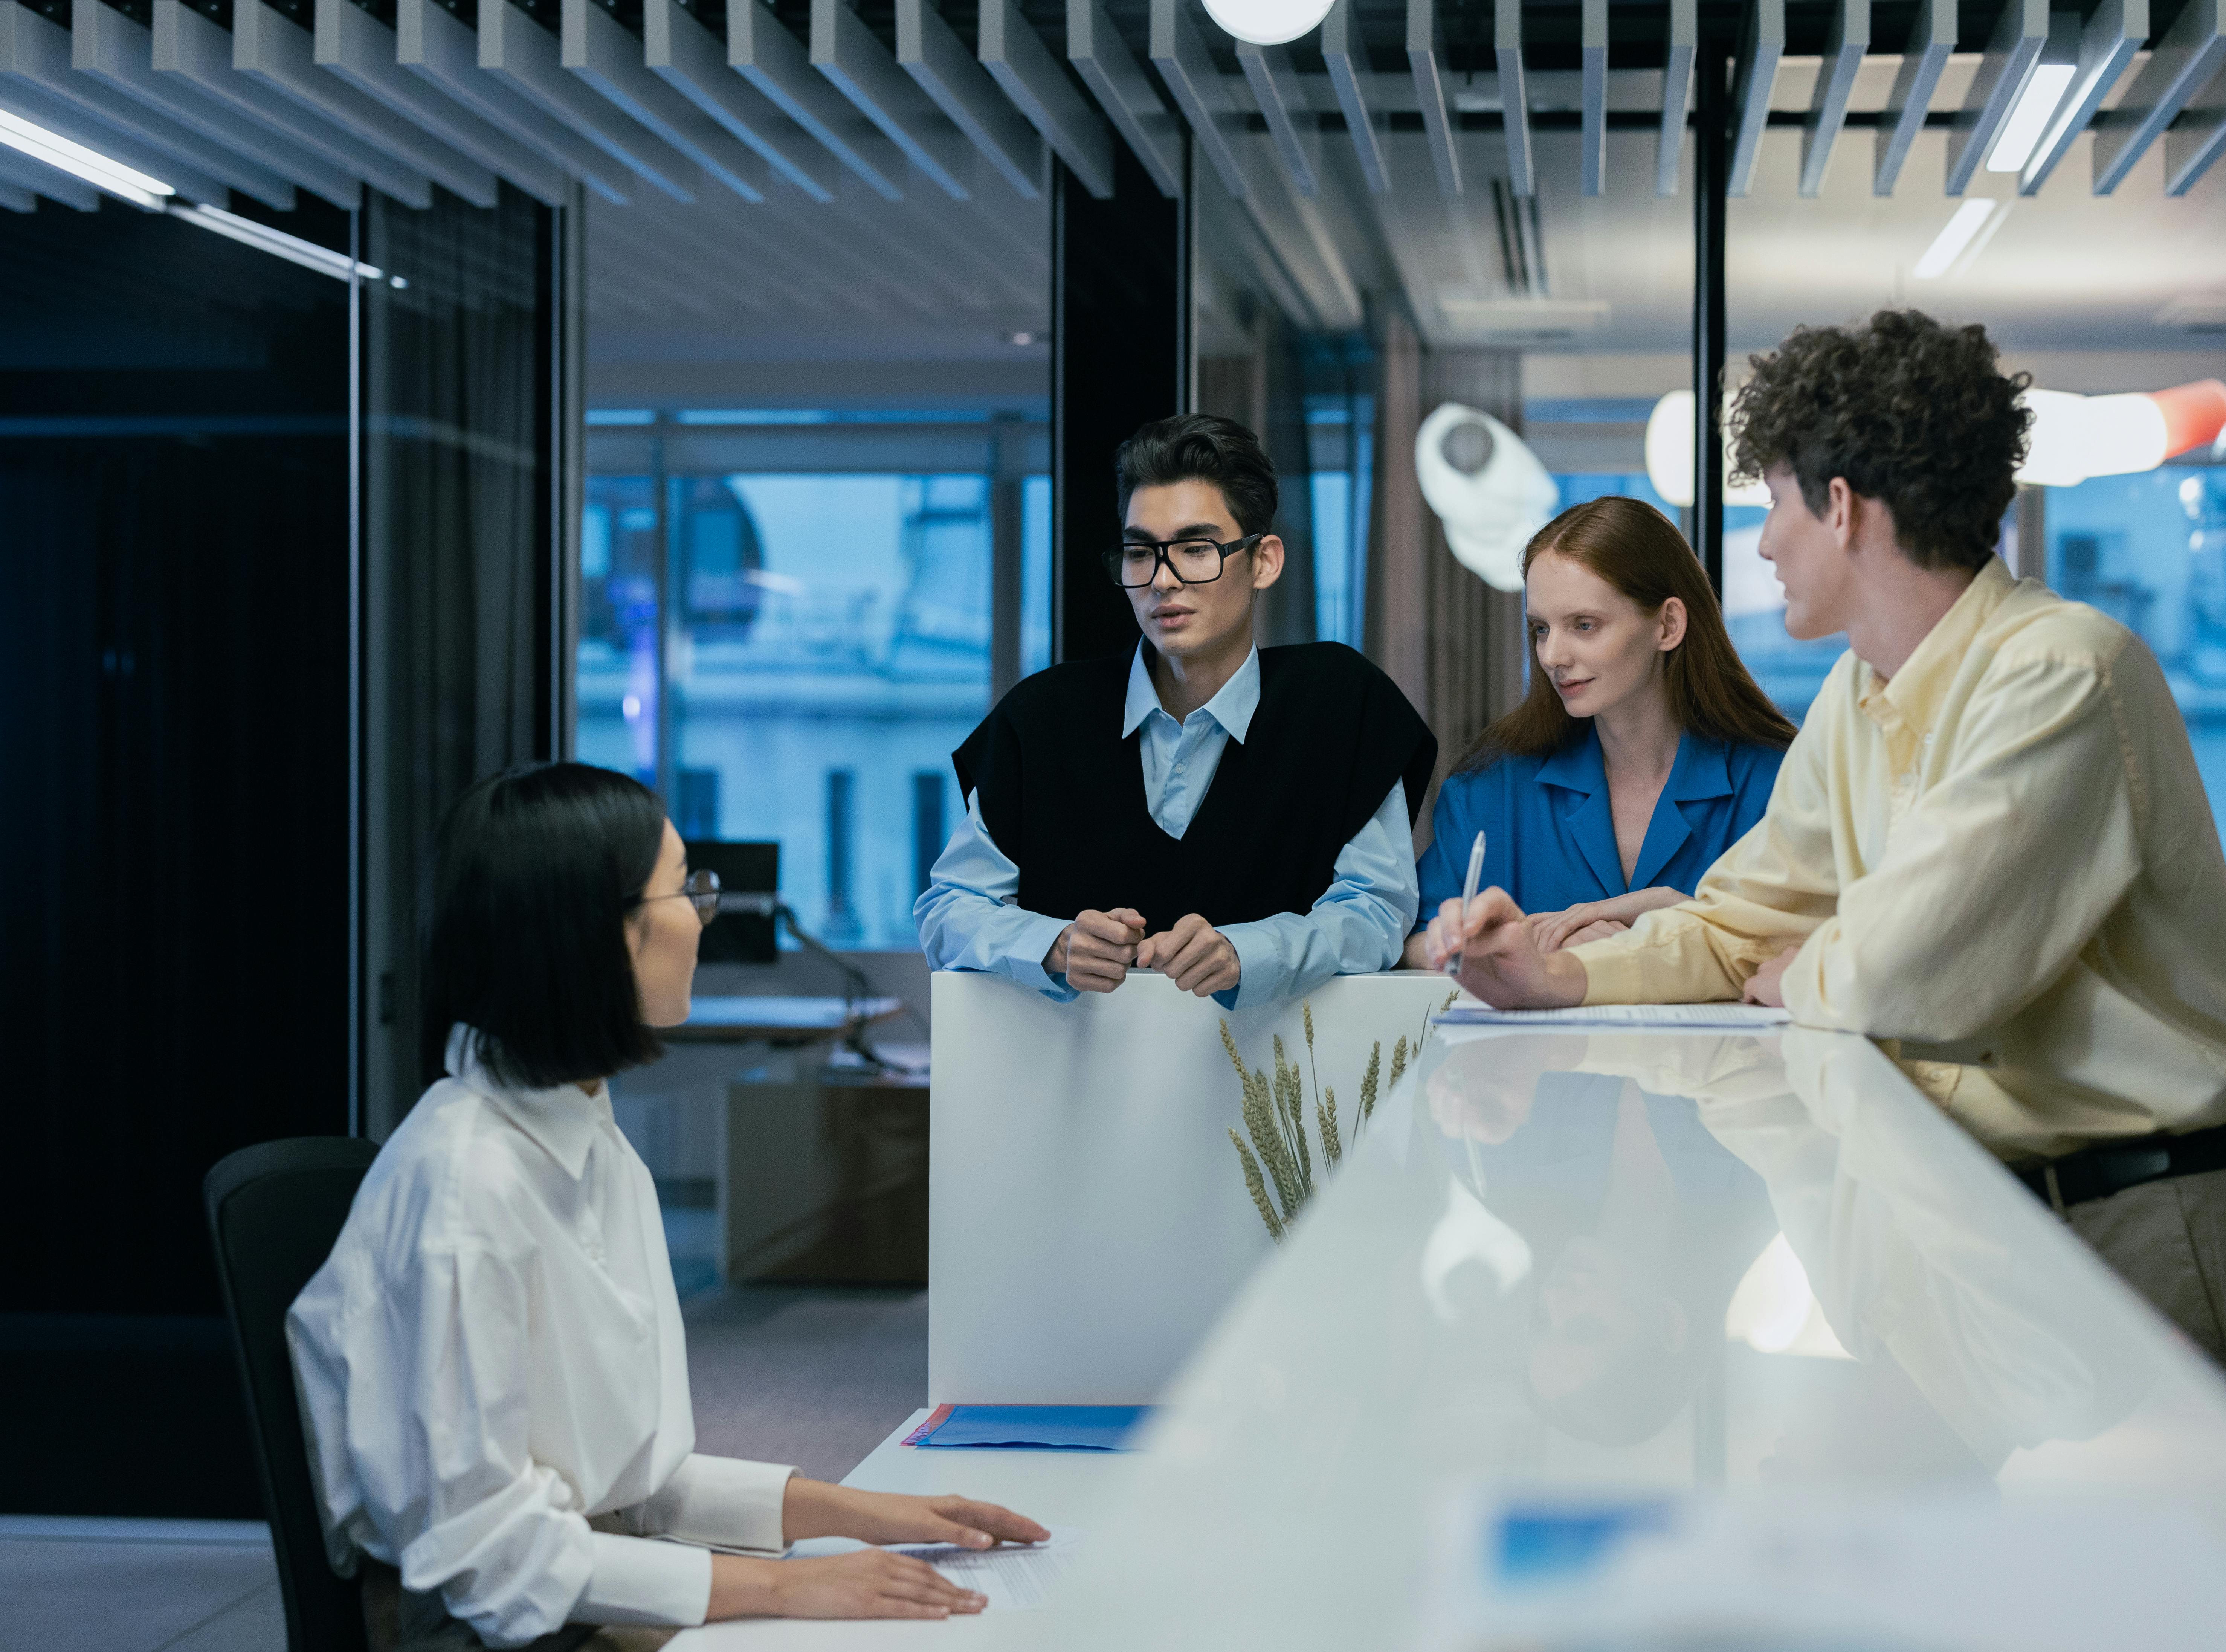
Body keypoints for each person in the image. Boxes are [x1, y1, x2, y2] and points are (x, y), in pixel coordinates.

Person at [1433, 311, 2226, 1428]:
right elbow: (1735, 924)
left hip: (2146, 1227)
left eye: (1774, 507)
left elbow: (1905, 978)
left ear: (1840, 508)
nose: (1758, 547)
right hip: (1987, 1235)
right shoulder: (1860, 695)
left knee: (2186, 1597)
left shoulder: (2063, 675)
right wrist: (1550, 978)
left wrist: (1813, 965)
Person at [290, 764, 1049, 1651]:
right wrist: (787, 1584)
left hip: (577, 1575)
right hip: (490, 1626)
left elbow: (630, 1481)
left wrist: (864, 1511)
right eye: (685, 887)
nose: (702, 915)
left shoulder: (586, 1128)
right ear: (592, 934)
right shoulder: (466, 1186)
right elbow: (487, 1556)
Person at [916, 413, 1436, 1009]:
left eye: (1196, 549)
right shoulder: (1043, 716)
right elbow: (948, 909)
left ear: (1264, 560)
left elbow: (1378, 911)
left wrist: (1250, 951)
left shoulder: (1342, 704)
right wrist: (1052, 943)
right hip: (1073, 1082)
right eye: (1141, 552)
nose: (1163, 580)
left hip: (1279, 1084)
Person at [1402, 495, 1794, 968]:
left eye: (1584, 625)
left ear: (1667, 625)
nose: (1551, 656)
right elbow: (1412, 941)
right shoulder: (1489, 792)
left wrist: (1685, 921)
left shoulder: (1780, 787)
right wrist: (1522, 946)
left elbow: (1823, 952)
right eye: (1541, 629)